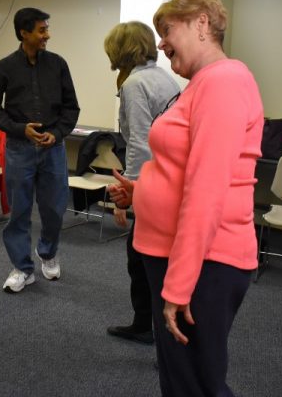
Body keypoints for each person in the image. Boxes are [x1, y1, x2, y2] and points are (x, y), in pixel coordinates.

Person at [108, 0, 264, 397]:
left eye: (167, 29)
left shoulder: (224, 82)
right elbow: (185, 170)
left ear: (202, 24)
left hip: (205, 261)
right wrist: (142, 192)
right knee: (183, 379)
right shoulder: (201, 83)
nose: (160, 42)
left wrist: (178, 287)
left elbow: (209, 189)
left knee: (195, 385)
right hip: (181, 254)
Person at [0, 7, 80, 293]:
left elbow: (71, 107)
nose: (47, 35)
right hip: (19, 148)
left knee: (54, 209)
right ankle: (22, 268)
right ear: (24, 33)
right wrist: (17, 128)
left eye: (47, 29)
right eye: (41, 30)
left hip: (54, 149)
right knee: (19, 211)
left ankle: (47, 253)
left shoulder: (58, 65)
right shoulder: (3, 67)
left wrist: (57, 133)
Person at [103, 21, 180, 345]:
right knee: (147, 260)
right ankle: (147, 326)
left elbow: (139, 142)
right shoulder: (163, 76)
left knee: (146, 262)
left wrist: (128, 194)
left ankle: (155, 333)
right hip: (169, 178)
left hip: (155, 182)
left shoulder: (136, 83)